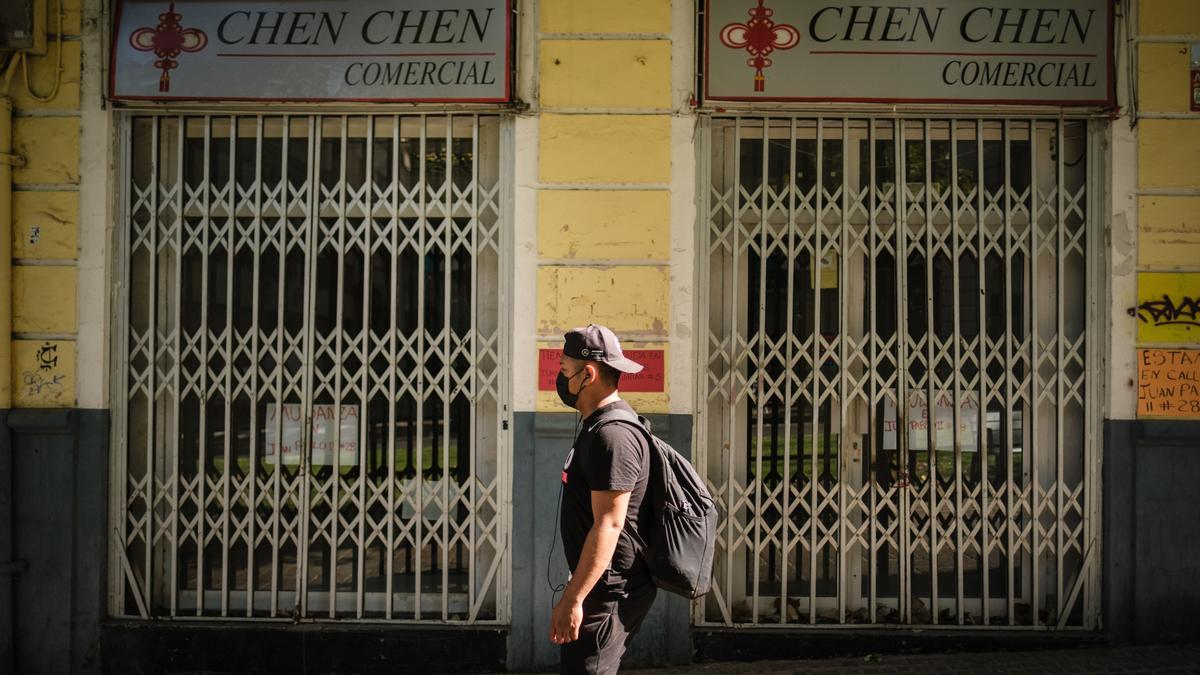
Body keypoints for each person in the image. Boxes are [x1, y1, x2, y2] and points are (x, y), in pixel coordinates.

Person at [550, 323, 656, 675]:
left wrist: (574, 598)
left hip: (607, 591)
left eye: (565, 371)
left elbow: (609, 524)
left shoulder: (612, 436)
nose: (560, 379)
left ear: (588, 373)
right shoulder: (597, 427)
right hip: (599, 585)